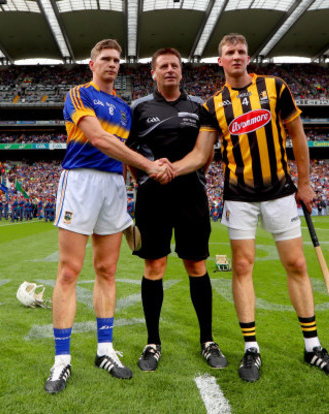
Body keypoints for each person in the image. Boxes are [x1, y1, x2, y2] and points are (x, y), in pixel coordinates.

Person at [171, 33, 329, 382]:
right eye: (228, 53)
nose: (235, 56)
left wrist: (306, 182)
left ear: (247, 56)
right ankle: (251, 348)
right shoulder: (212, 105)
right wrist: (168, 168)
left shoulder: (275, 87)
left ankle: (312, 345)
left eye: (240, 51)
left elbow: (297, 134)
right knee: (241, 266)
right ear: (219, 61)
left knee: (296, 264)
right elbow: (200, 155)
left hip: (281, 192)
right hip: (239, 197)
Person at [44, 38, 173, 395]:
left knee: (107, 270)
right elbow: (99, 139)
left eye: (117, 60)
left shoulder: (124, 108)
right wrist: (149, 165)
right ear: (92, 63)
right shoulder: (78, 95)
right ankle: (62, 359)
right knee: (69, 270)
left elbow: (125, 153)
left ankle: (104, 350)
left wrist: (143, 183)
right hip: (81, 182)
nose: (112, 64)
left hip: (114, 187)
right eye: (106, 58)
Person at [126, 47, 227, 372]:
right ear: (153, 73)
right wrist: (149, 176)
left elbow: (205, 153)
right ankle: (152, 342)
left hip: (191, 194)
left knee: (196, 265)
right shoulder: (138, 108)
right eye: (163, 66)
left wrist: (173, 170)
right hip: (152, 196)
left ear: (181, 72)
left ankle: (207, 340)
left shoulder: (199, 107)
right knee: (153, 266)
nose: (170, 70)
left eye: (175, 66)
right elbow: (128, 154)